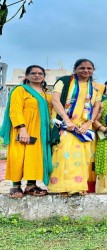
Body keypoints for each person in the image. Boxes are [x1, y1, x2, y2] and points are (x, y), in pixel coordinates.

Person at [49, 59, 102, 196]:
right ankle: (62, 187)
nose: (86, 70)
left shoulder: (96, 87)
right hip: (63, 124)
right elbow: (55, 99)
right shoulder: (64, 81)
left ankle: (78, 186)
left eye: (89, 68)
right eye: (82, 68)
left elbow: (96, 106)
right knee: (62, 154)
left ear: (93, 70)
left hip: (82, 128)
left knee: (80, 157)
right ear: (75, 69)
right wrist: (67, 120)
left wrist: (88, 123)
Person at [0, 65, 52, 198]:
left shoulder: (46, 94)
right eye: (33, 73)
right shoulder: (20, 90)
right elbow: (15, 110)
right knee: (18, 156)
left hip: (40, 131)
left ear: (44, 76)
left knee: (34, 157)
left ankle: (31, 185)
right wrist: (22, 129)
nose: (37, 75)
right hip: (22, 129)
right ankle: (15, 186)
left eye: (40, 73)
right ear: (27, 76)